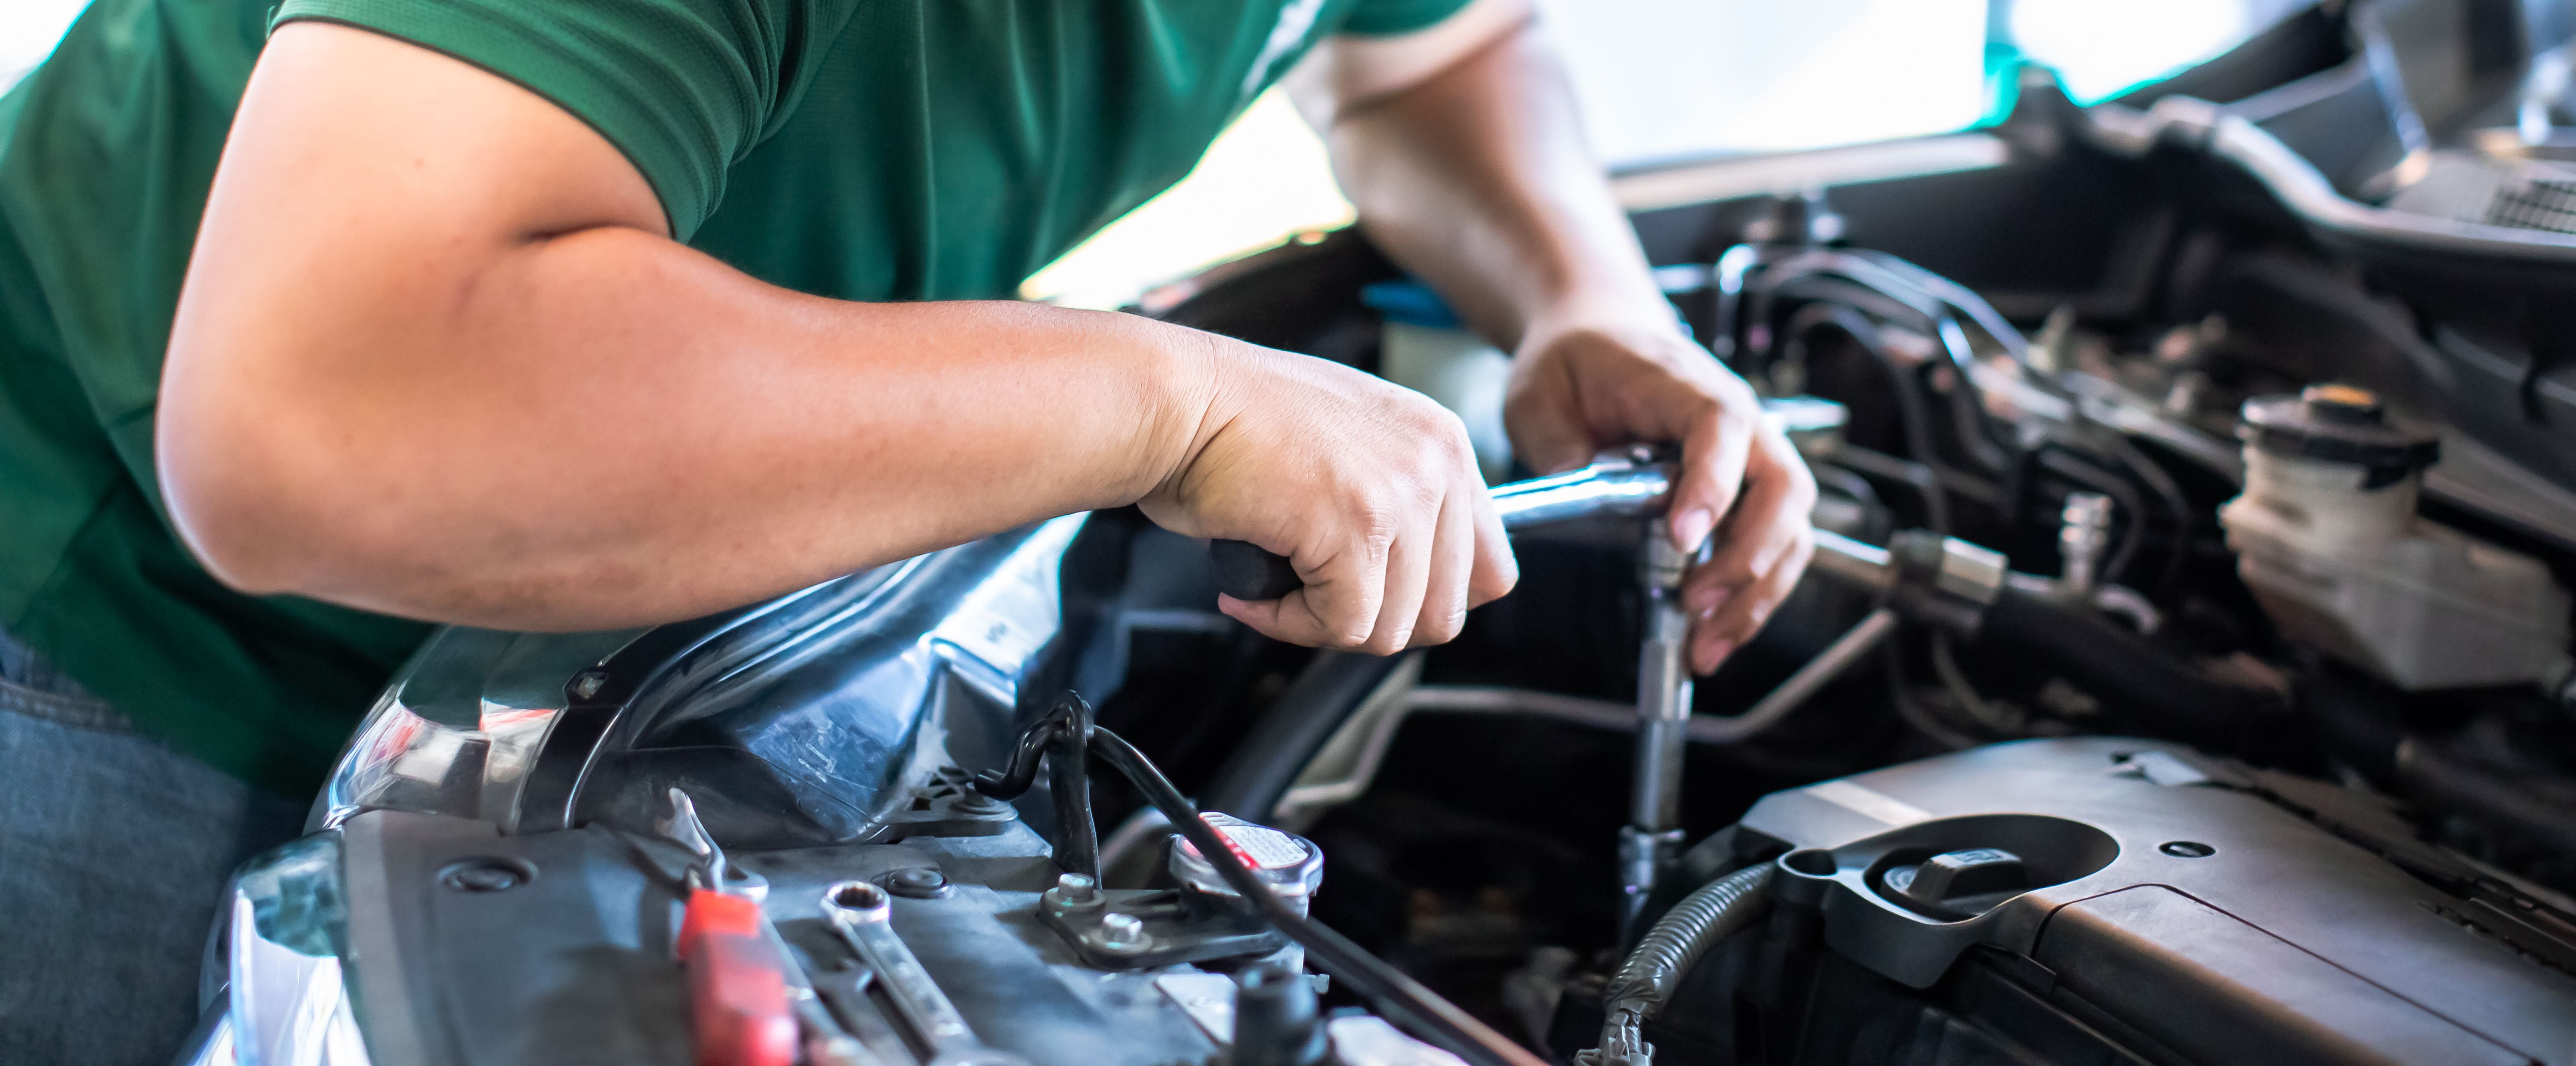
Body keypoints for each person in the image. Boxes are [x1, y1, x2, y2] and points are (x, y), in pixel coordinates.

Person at [0, 0, 1816, 1059]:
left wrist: (1592, 304)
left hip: (605, 636)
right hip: (101, 637)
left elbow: (1435, 51)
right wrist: (1157, 400)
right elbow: (329, 420)